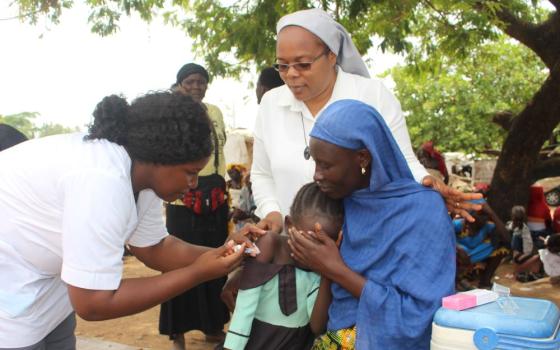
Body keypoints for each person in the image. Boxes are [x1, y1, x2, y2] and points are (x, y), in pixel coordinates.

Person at [222, 7, 480, 311]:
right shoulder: (271, 104)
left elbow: (401, 159)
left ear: (332, 55)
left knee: (340, 329)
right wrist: (274, 214)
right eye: (282, 66)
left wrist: (426, 182)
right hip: (296, 249)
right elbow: (263, 174)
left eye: (303, 64)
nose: (291, 75)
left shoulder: (372, 95)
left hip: (359, 251)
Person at [0, 91, 250, 349]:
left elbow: (154, 248)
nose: (194, 184)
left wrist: (225, 255)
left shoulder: (143, 175)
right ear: (161, 159)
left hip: (46, 289)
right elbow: (93, 303)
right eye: (190, 172)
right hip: (10, 292)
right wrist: (197, 273)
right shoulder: (102, 179)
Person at [285, 100, 455, 349]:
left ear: (362, 157)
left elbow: (422, 314)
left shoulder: (423, 210)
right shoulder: (340, 203)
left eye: (326, 165)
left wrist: (336, 269)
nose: (316, 175)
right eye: (315, 162)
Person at [160, 63, 231, 348]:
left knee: (215, 261)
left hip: (213, 197)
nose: (196, 87)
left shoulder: (214, 112)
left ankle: (213, 327)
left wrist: (222, 188)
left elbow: (220, 152)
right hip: (181, 198)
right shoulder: (169, 112)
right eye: (190, 81)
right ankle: (176, 331)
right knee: (178, 264)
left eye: (201, 82)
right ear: (178, 84)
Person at [223, 182, 343, 350]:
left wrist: (327, 271)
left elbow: (316, 325)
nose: (311, 251)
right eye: (305, 240)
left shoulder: (319, 268)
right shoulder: (269, 245)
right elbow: (244, 309)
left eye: (321, 246)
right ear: (289, 224)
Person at [453, 200, 510, 288]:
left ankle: (485, 282)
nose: (482, 218)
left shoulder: (487, 227)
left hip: (472, 254)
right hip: (457, 255)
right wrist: (457, 248)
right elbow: (441, 237)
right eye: (478, 214)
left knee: (502, 247)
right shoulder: (457, 225)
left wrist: (492, 213)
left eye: (484, 215)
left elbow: (507, 239)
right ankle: (457, 280)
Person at [506, 206, 541, 282]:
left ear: (513, 216)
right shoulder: (512, 225)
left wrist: (524, 255)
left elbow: (527, 244)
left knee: (517, 258)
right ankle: (516, 272)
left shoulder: (524, 230)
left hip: (523, 251)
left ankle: (516, 273)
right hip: (519, 250)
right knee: (516, 257)